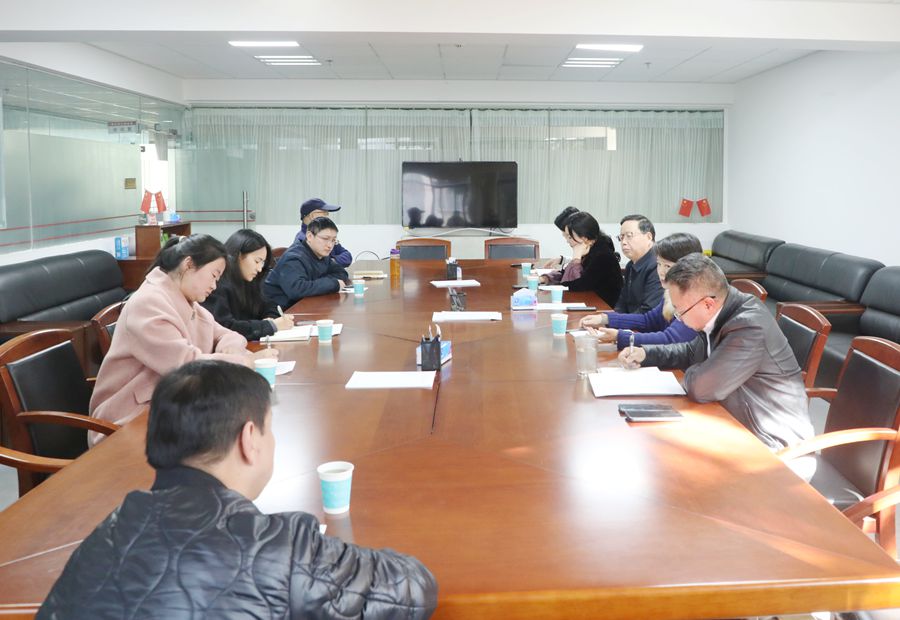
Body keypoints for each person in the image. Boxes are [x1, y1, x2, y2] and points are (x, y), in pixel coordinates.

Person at [39, 360, 439, 619]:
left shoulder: (104, 536)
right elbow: (414, 589)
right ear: (249, 439)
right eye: (269, 429)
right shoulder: (278, 546)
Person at [619, 254, 814, 477]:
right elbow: (691, 351)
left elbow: (701, 388)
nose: (678, 318)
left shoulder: (749, 327)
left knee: (670, 468)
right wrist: (646, 353)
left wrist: (698, 370)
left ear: (708, 304)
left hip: (774, 449)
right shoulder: (723, 311)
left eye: (680, 311)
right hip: (733, 425)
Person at [89, 234, 277, 444]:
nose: (215, 286)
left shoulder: (186, 300)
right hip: (129, 419)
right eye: (214, 276)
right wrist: (244, 361)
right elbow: (186, 364)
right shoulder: (149, 303)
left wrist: (230, 348)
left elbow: (227, 334)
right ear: (189, 265)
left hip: (172, 406)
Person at [579, 232, 702, 349]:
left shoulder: (697, 300)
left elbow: (670, 339)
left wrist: (620, 337)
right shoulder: (671, 293)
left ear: (688, 267)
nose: (661, 272)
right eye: (659, 264)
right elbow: (648, 320)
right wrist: (605, 319)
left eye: (668, 266)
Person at [201, 229, 295, 342]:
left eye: (262, 263)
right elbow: (226, 328)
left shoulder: (249, 280)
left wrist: (270, 318)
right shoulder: (215, 285)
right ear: (239, 255)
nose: (259, 269)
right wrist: (269, 326)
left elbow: (269, 304)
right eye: (257, 261)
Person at [539, 211, 623, 308]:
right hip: (587, 301)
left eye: (570, 237)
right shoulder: (589, 248)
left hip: (602, 307)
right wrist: (546, 278)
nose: (567, 241)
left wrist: (576, 260)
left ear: (584, 238)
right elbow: (566, 275)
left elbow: (577, 285)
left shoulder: (602, 255)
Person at [264, 216, 351, 308]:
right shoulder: (294, 258)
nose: (330, 245)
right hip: (280, 310)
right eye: (325, 239)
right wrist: (333, 284)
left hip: (304, 305)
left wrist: (315, 284)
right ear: (309, 236)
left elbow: (341, 273)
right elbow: (297, 290)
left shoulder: (321, 254)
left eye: (333, 240)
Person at [615, 214, 664, 314]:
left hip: (646, 322)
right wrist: (613, 318)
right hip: (630, 321)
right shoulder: (630, 265)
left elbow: (648, 310)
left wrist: (617, 320)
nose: (623, 242)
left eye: (629, 236)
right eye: (621, 237)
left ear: (649, 237)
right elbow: (622, 302)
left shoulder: (658, 265)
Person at [296, 197, 352, 266]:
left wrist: (332, 261)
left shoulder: (324, 234)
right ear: (312, 215)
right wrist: (332, 262)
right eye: (324, 213)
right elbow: (320, 266)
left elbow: (347, 256)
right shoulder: (303, 240)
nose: (327, 217)